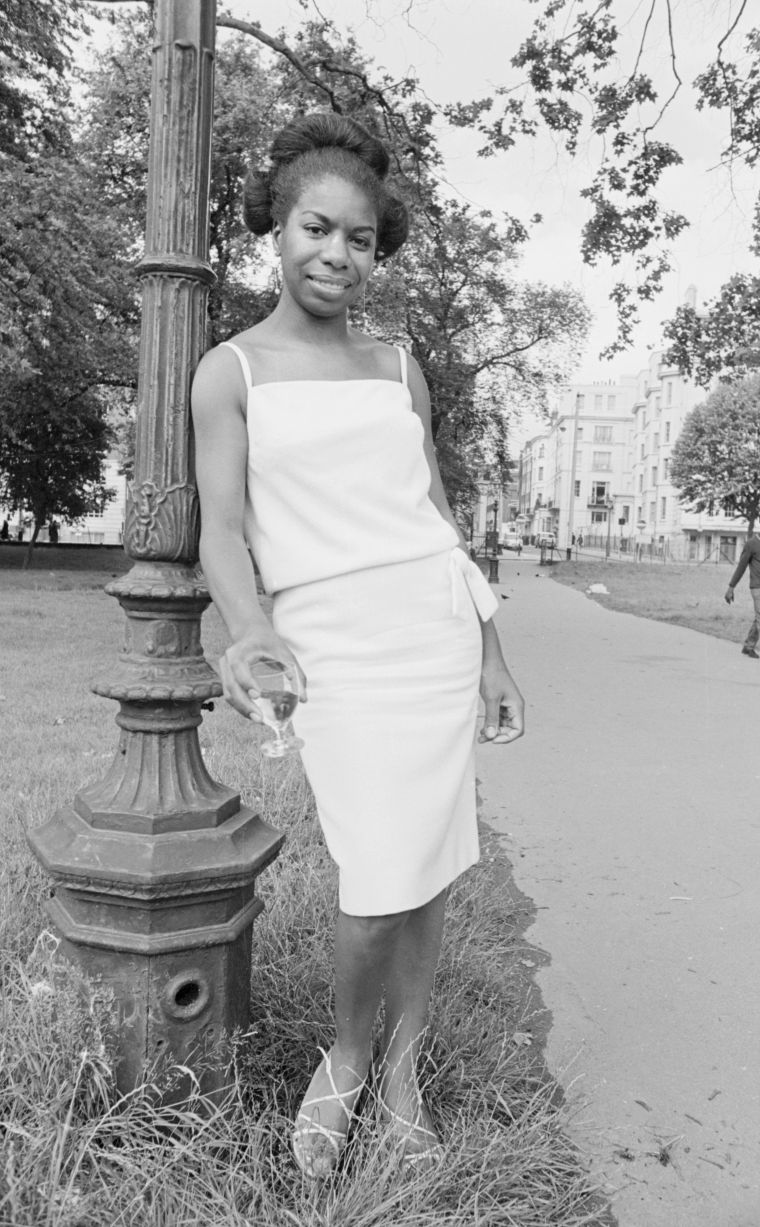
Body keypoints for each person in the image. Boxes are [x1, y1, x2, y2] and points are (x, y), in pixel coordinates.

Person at [191, 112, 525, 1180]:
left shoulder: (398, 368)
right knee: (375, 875)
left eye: (361, 239)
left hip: (429, 630)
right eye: (317, 231)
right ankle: (344, 1056)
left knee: (424, 869)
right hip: (331, 651)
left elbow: (434, 517)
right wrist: (250, 634)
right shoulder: (229, 372)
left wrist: (490, 654)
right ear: (276, 234)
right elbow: (222, 532)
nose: (338, 255)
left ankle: (405, 1073)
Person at [725, 531, 760, 658]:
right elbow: (741, 566)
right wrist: (731, 587)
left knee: (758, 618)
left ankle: (748, 646)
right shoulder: (751, 544)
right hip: (757, 587)